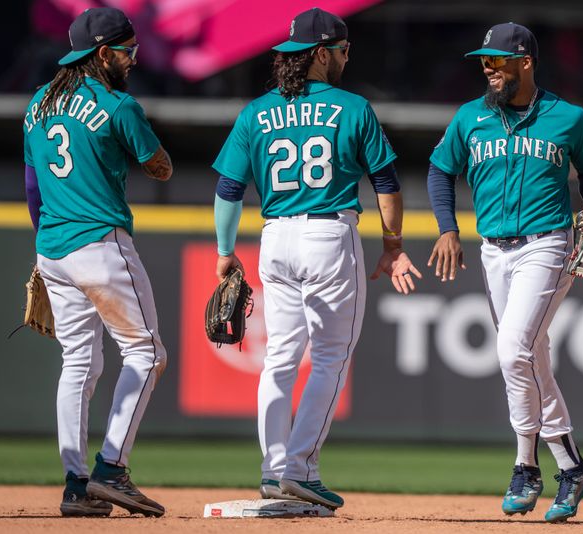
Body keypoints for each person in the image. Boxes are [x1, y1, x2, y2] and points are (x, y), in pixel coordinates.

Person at [212, 7, 421, 510]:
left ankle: (271, 469)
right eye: (344, 49)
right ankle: (300, 469)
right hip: (329, 234)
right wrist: (392, 246)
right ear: (323, 54)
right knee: (331, 356)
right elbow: (387, 184)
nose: (347, 57)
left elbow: (227, 189)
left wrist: (224, 252)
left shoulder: (255, 112)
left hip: (274, 239)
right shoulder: (352, 108)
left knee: (280, 358)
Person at [426, 23, 583, 523]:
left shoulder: (568, 117)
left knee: (513, 351)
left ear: (525, 61)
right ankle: (572, 468)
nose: (488, 67)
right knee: (533, 357)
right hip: (493, 251)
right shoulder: (471, 118)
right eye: (483, 60)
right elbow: (440, 169)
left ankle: (525, 465)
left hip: (547, 244)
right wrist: (447, 228)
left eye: (498, 60)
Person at [22, 7, 171, 518]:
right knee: (146, 354)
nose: (134, 58)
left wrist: (43, 252)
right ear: (103, 53)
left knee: (78, 363)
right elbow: (161, 168)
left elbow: (32, 187)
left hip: (53, 247)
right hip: (99, 243)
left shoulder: (37, 105)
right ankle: (112, 470)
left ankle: (75, 485)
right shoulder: (117, 104)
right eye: (127, 50)